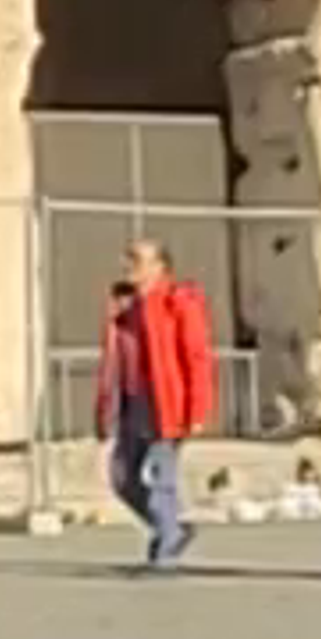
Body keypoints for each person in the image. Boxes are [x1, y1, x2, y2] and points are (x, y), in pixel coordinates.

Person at [96, 233, 215, 572]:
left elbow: (196, 357)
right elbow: (112, 361)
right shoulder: (123, 306)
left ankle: (165, 550)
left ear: (159, 267)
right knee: (122, 478)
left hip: (168, 406)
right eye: (126, 258)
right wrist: (104, 409)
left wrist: (198, 407)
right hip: (132, 404)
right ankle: (170, 529)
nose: (127, 266)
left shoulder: (178, 302)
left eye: (136, 259)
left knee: (162, 478)